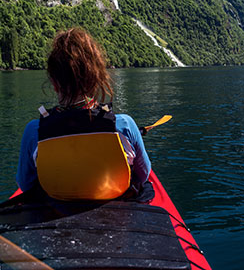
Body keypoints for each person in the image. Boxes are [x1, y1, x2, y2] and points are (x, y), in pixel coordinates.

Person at [16, 28, 151, 200]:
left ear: (54, 83)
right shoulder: (124, 125)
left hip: (56, 209)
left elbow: (25, 184)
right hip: (114, 206)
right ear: (96, 78)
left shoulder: (34, 131)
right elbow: (143, 174)